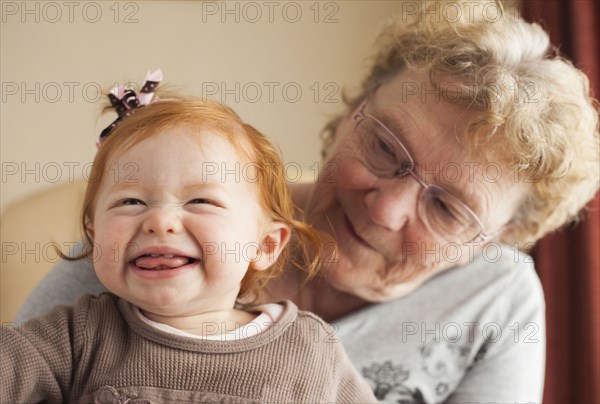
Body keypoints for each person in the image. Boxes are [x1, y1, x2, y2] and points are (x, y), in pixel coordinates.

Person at [16, 1, 600, 402]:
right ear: (350, 111)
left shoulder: (498, 300)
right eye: (384, 145)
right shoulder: (163, 238)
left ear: (492, 241)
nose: (387, 207)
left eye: (447, 208)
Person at [1, 73, 378, 403]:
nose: (160, 221)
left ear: (265, 245)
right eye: (130, 201)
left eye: (201, 200)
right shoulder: (77, 336)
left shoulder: (311, 349)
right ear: (94, 236)